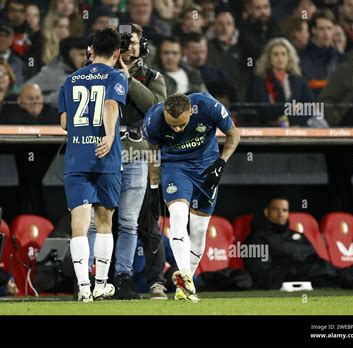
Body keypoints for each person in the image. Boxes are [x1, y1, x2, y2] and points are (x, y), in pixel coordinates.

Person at [87, 23, 168, 300]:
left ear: (142, 45)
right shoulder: (97, 72)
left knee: (135, 222)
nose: (128, 47)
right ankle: (89, 278)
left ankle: (128, 278)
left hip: (137, 154)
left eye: (132, 42)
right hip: (100, 151)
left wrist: (127, 80)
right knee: (93, 220)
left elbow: (158, 110)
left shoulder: (152, 76)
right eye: (122, 42)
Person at [143, 92, 241, 301]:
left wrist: (221, 164)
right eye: (172, 125)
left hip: (206, 169)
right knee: (178, 216)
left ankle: (185, 287)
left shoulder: (208, 106)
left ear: (191, 112)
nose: (176, 129)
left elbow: (234, 134)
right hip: (175, 168)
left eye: (181, 124)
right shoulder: (153, 119)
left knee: (199, 231)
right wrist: (152, 188)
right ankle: (185, 277)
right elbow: (153, 153)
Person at [59, 28, 128, 302]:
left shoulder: (71, 79)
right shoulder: (117, 77)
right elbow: (111, 105)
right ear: (117, 53)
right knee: (104, 222)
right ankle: (101, 284)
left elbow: (65, 122)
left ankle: (83, 288)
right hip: (105, 156)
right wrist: (110, 135)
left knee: (78, 222)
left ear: (91, 50)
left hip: (77, 158)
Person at [244, 196, 353, 290]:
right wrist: (295, 269)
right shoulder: (256, 238)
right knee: (335, 278)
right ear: (266, 212)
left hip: (318, 270)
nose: (281, 214)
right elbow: (260, 272)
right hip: (294, 277)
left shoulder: (296, 235)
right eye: (275, 209)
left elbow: (314, 256)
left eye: (284, 210)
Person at [248, 38, 315, 127]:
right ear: (269, 58)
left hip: (297, 129)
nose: (280, 58)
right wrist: (292, 108)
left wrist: (288, 120)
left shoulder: (299, 80)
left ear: (289, 57)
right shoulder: (260, 81)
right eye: (276, 54)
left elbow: (309, 108)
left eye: (283, 54)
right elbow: (264, 111)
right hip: (269, 130)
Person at [26, 37, 86, 107]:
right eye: (82, 54)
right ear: (68, 56)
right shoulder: (52, 73)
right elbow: (24, 92)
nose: (86, 59)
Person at [299, 9, 346, 98]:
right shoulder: (301, 58)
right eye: (321, 29)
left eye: (329, 28)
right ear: (313, 30)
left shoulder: (341, 59)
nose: (326, 33)